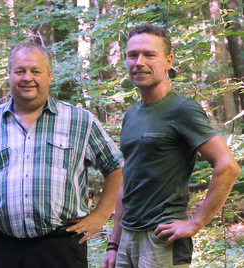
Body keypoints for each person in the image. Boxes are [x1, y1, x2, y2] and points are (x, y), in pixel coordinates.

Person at [0, 41, 124, 268]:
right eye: (20, 71)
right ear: (9, 75)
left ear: (49, 76)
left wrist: (100, 215)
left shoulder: (80, 121)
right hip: (5, 250)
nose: (27, 78)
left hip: (62, 249)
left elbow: (117, 168)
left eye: (35, 71)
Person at [101, 24, 240, 268]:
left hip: (162, 238)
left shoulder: (182, 109)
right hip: (128, 239)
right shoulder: (131, 114)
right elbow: (127, 180)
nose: (139, 62)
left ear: (168, 61)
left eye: (149, 54)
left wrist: (195, 223)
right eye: (132, 55)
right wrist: (114, 244)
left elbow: (228, 166)